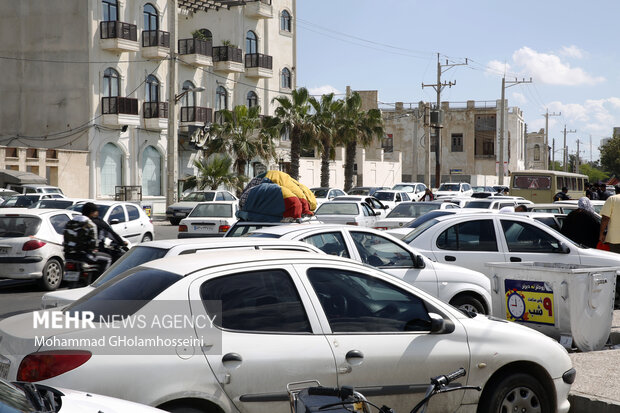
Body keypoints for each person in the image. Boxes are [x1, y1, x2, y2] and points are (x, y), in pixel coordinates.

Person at [64, 202, 112, 274]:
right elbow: (94, 245)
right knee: (108, 258)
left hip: (68, 256)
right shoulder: (90, 225)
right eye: (96, 211)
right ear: (92, 213)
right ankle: (100, 282)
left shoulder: (69, 223)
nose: (97, 213)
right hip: (85, 256)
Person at [599, 185, 620, 253]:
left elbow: (605, 218)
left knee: (615, 261)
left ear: (615, 191)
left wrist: (601, 234)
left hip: (615, 239)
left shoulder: (612, 199)